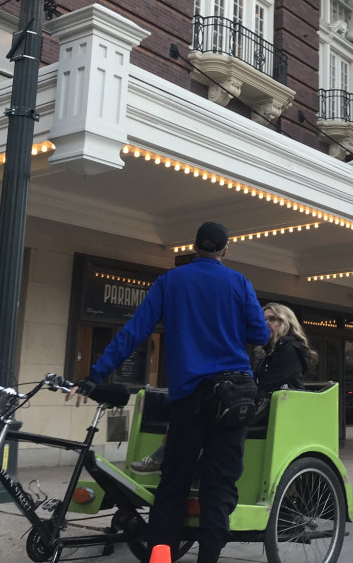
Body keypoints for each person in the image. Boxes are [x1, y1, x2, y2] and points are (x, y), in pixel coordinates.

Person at [69, 221, 269, 563]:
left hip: (188, 399)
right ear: (225, 251)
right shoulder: (239, 283)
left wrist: (94, 375)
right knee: (219, 487)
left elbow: (134, 332)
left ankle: (159, 557)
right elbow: (261, 335)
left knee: (172, 485)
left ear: (193, 248)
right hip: (231, 398)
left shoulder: (170, 282)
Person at [131, 301, 317, 472]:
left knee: (204, 411)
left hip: (274, 409)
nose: (266, 323)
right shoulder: (270, 351)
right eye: (263, 319)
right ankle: (179, 461)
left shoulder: (289, 349)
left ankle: (174, 462)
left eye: (272, 319)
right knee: (196, 405)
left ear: (286, 323)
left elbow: (267, 385)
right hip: (264, 405)